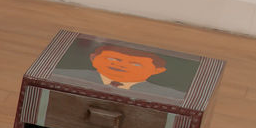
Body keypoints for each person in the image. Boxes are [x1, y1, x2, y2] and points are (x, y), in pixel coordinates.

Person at [54, 42, 188, 100]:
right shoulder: (61, 75)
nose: (121, 66)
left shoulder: (172, 96)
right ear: (93, 58)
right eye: (112, 59)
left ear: (157, 70)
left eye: (136, 64)